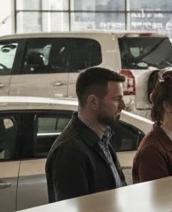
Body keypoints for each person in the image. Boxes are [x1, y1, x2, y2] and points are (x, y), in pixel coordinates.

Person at [45, 67, 128, 202]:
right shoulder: (70, 151)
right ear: (93, 102)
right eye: (116, 99)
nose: (123, 105)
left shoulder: (102, 138)